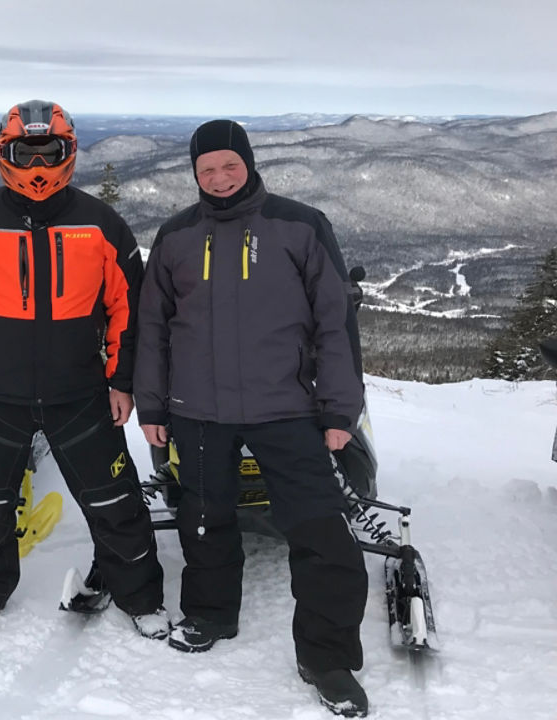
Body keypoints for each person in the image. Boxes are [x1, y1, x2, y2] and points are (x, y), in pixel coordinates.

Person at [135, 119, 369, 717]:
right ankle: (211, 614)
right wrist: (153, 404)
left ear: (249, 164)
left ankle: (327, 655)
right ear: (194, 174)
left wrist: (341, 407)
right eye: (205, 169)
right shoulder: (178, 234)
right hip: (198, 412)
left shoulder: (299, 224)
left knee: (321, 531)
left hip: (285, 408)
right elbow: (154, 328)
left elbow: (335, 323)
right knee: (205, 522)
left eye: (228, 166)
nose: (217, 178)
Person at [0, 99, 167, 636]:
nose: (37, 166)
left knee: (116, 501)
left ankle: (142, 598)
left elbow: (127, 313)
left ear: (69, 152)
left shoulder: (102, 224)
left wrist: (121, 381)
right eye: (25, 153)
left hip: (81, 394)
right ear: (4, 154)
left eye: (49, 152)